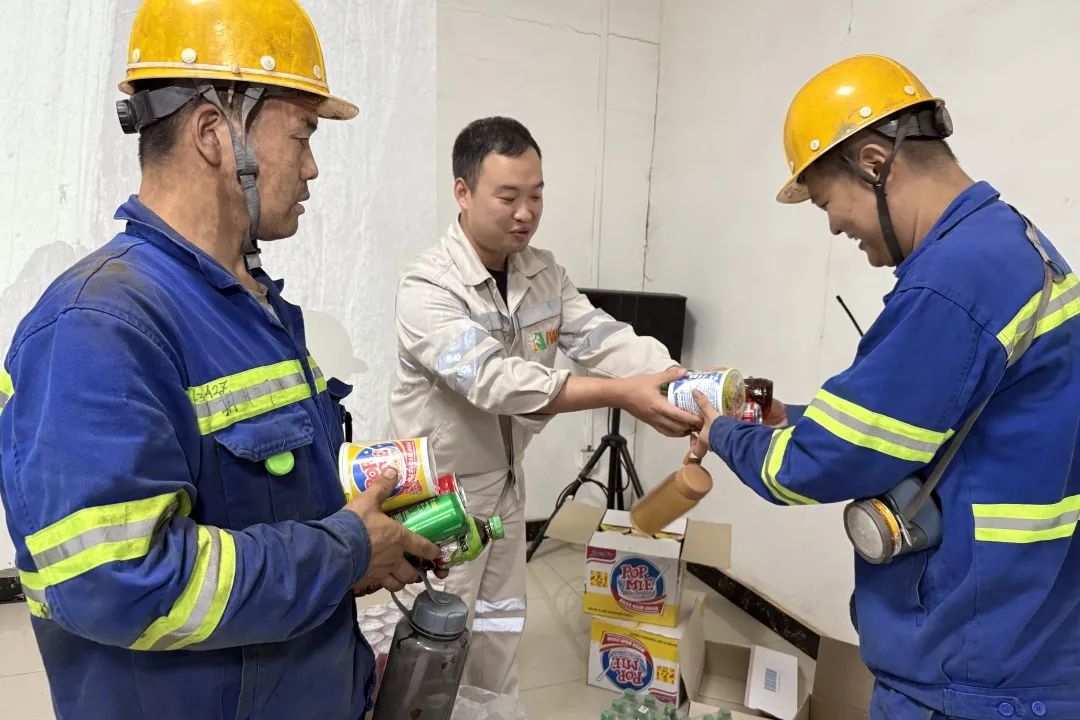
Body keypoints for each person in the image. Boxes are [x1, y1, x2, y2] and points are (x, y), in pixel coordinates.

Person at [0, 1, 440, 718]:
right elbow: (122, 584)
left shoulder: (249, 307)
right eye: (302, 134)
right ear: (214, 133)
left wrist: (360, 550)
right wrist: (345, 550)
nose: (312, 167)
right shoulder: (97, 327)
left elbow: (268, 515)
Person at [693, 54, 1080, 720]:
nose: (834, 226)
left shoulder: (952, 282)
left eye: (827, 202)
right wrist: (793, 416)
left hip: (965, 668)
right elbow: (937, 422)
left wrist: (722, 432)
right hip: (1028, 633)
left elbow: (812, 466)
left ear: (874, 163)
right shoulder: (1018, 246)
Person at [388, 116, 703, 694]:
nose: (525, 213)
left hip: (506, 482)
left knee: (501, 623)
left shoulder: (542, 271)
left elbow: (600, 336)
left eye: (536, 195)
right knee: (438, 635)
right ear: (462, 192)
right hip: (440, 494)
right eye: (508, 196)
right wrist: (620, 394)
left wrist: (675, 379)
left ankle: (495, 708)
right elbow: (494, 381)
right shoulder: (428, 287)